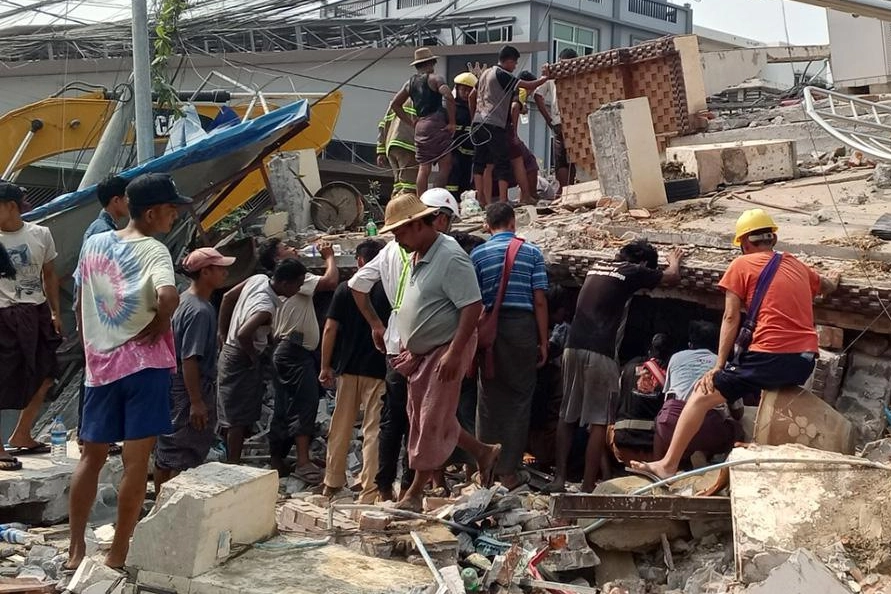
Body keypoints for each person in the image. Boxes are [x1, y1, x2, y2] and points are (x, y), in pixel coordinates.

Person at [632, 210, 840, 479]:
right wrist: (834, 279)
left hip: (769, 356)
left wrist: (718, 366)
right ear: (773, 238)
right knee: (767, 394)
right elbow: (826, 285)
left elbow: (731, 317)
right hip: (804, 361)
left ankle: (667, 465)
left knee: (701, 395)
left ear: (744, 243)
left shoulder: (740, 265)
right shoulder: (796, 264)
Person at [68, 172, 190, 570]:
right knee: (136, 463)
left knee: (91, 458)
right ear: (151, 213)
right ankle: (117, 553)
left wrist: (91, 348)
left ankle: (75, 550)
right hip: (144, 367)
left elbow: (80, 302)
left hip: (100, 368)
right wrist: (160, 320)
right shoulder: (155, 250)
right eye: (171, 209)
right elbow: (168, 295)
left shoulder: (94, 243)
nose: (175, 215)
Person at [380, 192, 501, 511]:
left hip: (446, 348)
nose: (397, 239)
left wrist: (454, 353)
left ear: (419, 225)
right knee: (424, 416)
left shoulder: (450, 256)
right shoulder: (419, 254)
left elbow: (472, 306)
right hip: (423, 352)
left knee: (431, 418)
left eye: (399, 232)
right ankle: (483, 451)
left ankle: (415, 492)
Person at [349, 188, 461, 502]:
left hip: (397, 345)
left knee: (397, 417)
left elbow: (357, 285)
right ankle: (409, 486)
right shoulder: (433, 250)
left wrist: (376, 325)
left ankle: (387, 486)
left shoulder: (389, 252)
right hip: (420, 349)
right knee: (420, 417)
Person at [545, 240, 683, 493]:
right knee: (599, 421)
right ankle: (588, 485)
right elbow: (672, 278)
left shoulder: (597, 266)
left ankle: (559, 479)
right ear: (644, 263)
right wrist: (674, 260)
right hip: (600, 351)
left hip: (572, 347)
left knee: (567, 414)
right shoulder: (633, 271)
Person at [470, 203, 548, 490]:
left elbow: (473, 301)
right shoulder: (532, 253)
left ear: (487, 226)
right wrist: (543, 340)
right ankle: (509, 472)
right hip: (521, 328)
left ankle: (485, 469)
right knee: (519, 399)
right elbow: (539, 300)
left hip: (488, 331)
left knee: (487, 398)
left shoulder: (478, 255)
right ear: (513, 223)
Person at [154, 248, 235, 492]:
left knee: (169, 448)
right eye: (219, 269)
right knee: (184, 450)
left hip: (174, 381)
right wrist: (196, 401)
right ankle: (171, 503)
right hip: (190, 385)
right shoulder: (199, 310)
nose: (225, 273)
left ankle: (161, 500)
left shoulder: (184, 300)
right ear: (205, 272)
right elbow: (190, 358)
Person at [216, 259, 307, 465]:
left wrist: (222, 332)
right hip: (240, 357)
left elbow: (228, 297)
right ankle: (233, 464)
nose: (299, 289)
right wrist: (252, 357)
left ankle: (230, 460)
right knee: (238, 417)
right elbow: (244, 333)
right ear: (285, 284)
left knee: (232, 412)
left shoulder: (258, 279)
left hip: (230, 351)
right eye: (298, 284)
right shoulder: (266, 307)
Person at [319, 239, 390, 502]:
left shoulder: (345, 288)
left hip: (348, 369)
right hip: (378, 368)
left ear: (360, 261)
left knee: (340, 426)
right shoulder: (389, 288)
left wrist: (325, 366)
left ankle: (332, 483)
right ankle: (370, 489)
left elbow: (330, 329)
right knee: (373, 430)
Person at [0, 182, 62, 471]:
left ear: (11, 206)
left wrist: (55, 311)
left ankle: (22, 433)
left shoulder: (41, 234)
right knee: (2, 379)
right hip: (4, 314)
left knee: (46, 373)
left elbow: (49, 274)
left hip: (36, 311)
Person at [264, 239, 338, 480]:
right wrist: (329, 256)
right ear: (278, 259)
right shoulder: (299, 280)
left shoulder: (279, 282)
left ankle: (279, 459)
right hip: (294, 351)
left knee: (286, 404)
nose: (293, 248)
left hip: (286, 350)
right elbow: (331, 281)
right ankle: (302, 462)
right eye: (286, 248)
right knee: (304, 403)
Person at [76, 174, 130, 450]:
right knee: (98, 376)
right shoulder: (102, 233)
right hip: (99, 316)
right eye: (127, 197)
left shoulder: (101, 228)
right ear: (116, 200)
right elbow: (88, 281)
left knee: (96, 374)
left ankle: (91, 434)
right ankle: (92, 435)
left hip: (96, 314)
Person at [653, 321, 742, 463]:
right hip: (710, 431)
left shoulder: (676, 358)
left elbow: (667, 397)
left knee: (660, 419)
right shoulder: (724, 366)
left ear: (690, 344)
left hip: (672, 427)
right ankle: (716, 462)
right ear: (718, 346)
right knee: (737, 429)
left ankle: (658, 463)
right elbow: (738, 413)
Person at [470, 45, 548, 204]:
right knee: (502, 163)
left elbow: (472, 95)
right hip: (495, 125)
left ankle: (482, 201)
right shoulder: (502, 74)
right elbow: (527, 86)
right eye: (515, 63)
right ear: (509, 61)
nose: (515, 66)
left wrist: (474, 117)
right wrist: (544, 78)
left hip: (478, 123)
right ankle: (503, 200)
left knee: (481, 164)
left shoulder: (485, 73)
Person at [390, 48, 457, 196]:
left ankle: (421, 201)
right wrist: (452, 122)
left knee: (424, 168)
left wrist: (411, 122)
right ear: (432, 63)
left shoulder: (409, 83)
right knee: (445, 164)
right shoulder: (435, 79)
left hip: (420, 126)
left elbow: (395, 104)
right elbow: (448, 96)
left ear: (417, 66)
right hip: (436, 123)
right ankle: (437, 197)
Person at [534, 48, 577, 193]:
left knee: (562, 160)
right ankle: (568, 190)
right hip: (576, 122)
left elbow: (537, 95)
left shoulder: (552, 73)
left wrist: (549, 120)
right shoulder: (577, 72)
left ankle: (564, 191)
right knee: (572, 158)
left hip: (559, 122)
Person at [377, 99, 418, 194]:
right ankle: (406, 203)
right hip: (408, 145)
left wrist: (381, 151)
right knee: (409, 185)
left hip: (391, 146)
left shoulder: (396, 100)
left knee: (398, 184)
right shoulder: (419, 99)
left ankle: (395, 201)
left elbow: (382, 125)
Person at [447, 72, 477, 199]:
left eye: (469, 91)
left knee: (466, 177)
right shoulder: (451, 108)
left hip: (470, 152)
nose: (466, 93)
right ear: (457, 89)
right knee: (453, 175)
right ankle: (451, 199)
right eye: (463, 90)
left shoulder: (475, 109)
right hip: (454, 150)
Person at [84, 175, 129, 240]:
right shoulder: (105, 231)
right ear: (116, 200)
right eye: (127, 198)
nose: (131, 203)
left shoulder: (98, 226)